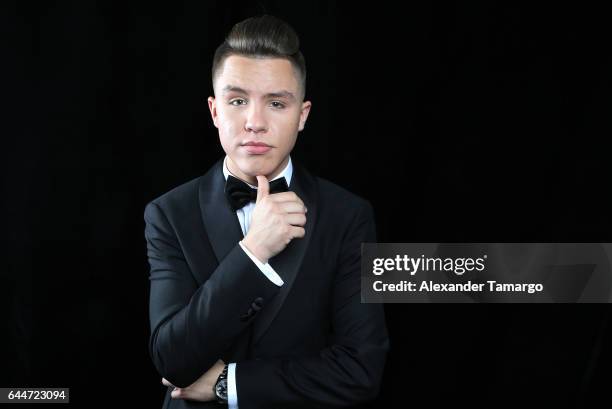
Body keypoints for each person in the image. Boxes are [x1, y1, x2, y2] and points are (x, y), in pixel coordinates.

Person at [144, 14, 389, 409]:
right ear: (214, 111)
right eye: (238, 101)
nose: (255, 123)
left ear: (303, 115)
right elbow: (172, 358)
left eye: (276, 103)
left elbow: (361, 369)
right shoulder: (168, 213)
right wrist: (253, 251)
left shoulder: (349, 216)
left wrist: (230, 383)